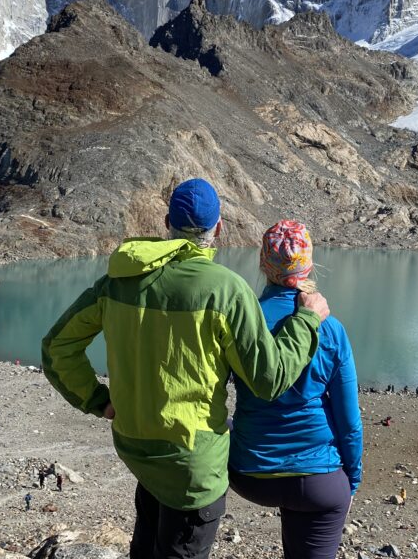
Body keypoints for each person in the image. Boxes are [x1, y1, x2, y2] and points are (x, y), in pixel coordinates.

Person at [42, 179, 329, 559]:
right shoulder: (226, 290)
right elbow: (268, 379)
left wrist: (98, 399)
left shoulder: (119, 280)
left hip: (137, 450)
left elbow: (57, 346)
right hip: (193, 467)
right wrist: (306, 321)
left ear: (167, 223)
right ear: (220, 228)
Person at [227, 220, 362, 559]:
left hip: (249, 474)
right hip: (318, 480)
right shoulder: (330, 328)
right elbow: (349, 421)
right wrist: (351, 481)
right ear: (309, 265)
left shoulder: (241, 320)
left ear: (262, 263)